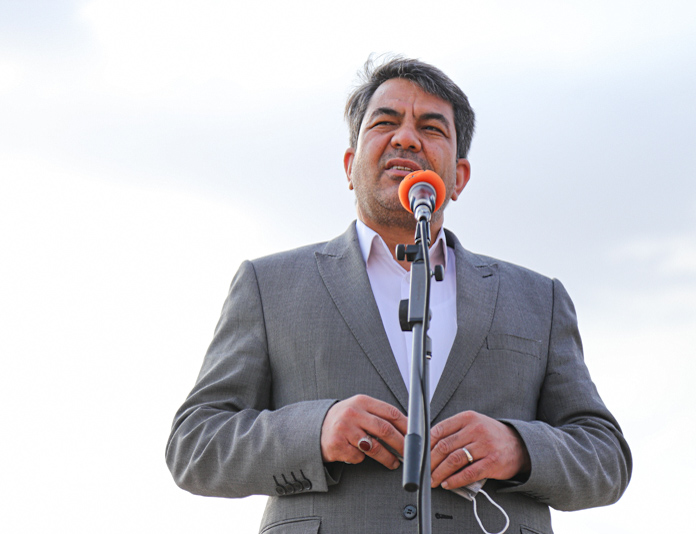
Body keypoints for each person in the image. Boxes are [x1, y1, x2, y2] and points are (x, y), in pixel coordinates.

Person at [166, 56, 632, 534]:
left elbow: (607, 457)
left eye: (431, 128)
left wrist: (517, 447)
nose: (406, 138)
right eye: (385, 122)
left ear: (459, 177)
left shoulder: (538, 299)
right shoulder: (269, 286)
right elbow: (194, 445)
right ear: (350, 166)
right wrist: (316, 430)